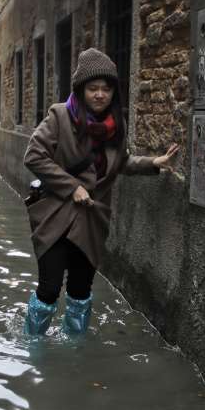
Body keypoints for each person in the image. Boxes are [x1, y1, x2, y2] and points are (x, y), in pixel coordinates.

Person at [23, 48, 179, 335]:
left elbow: (120, 162)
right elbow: (33, 156)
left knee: (80, 292)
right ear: (81, 90)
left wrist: (153, 163)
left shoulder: (116, 125)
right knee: (49, 289)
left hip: (92, 221)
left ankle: (74, 351)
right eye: (92, 88)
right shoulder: (59, 117)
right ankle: (34, 347)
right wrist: (72, 188)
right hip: (54, 216)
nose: (99, 94)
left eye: (105, 89)